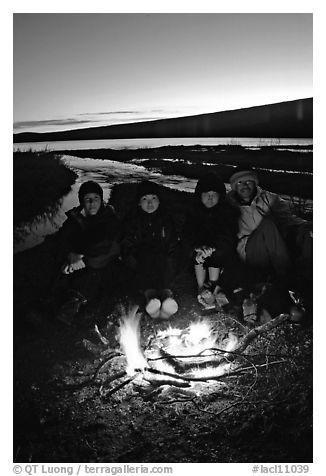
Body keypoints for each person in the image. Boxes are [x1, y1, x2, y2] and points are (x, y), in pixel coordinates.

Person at [226, 166, 312, 287]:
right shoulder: (228, 204)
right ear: (235, 186)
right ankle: (287, 278)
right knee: (267, 225)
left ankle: (308, 277)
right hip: (250, 250)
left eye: (248, 181)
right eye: (239, 183)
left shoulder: (269, 198)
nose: (244, 186)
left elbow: (288, 218)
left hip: (274, 244)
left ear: (254, 183)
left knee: (307, 231)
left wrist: (306, 225)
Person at [51, 180, 121, 325]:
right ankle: (53, 303)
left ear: (101, 200)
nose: (92, 203)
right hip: (78, 263)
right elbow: (62, 240)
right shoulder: (75, 218)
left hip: (103, 263)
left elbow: (107, 245)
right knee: (61, 272)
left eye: (96, 198)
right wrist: (70, 255)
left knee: (93, 276)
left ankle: (73, 308)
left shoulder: (110, 218)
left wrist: (82, 257)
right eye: (87, 199)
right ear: (82, 201)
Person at [182, 172, 248, 308]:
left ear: (220, 195)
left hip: (220, 257)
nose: (210, 198)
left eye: (214, 194)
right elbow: (187, 237)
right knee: (197, 257)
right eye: (206, 194)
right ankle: (201, 289)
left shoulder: (227, 213)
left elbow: (228, 239)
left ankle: (213, 288)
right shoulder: (192, 213)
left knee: (216, 259)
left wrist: (212, 249)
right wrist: (196, 249)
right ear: (199, 195)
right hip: (199, 257)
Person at [121, 180, 179, 319]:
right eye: (145, 199)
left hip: (163, 260)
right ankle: (151, 300)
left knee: (166, 262)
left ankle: (166, 300)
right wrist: (132, 261)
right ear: (139, 202)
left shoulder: (166, 219)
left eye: (153, 198)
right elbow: (127, 244)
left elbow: (173, 243)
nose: (150, 203)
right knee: (145, 264)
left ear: (159, 201)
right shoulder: (132, 220)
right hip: (141, 261)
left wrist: (172, 260)